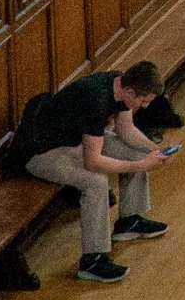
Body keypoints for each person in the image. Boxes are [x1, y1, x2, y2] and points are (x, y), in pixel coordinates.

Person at [15, 55, 173, 284]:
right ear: (130, 91)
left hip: (76, 140)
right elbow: (93, 162)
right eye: (143, 101)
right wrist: (140, 166)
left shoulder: (120, 85)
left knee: (137, 152)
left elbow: (126, 130)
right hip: (43, 153)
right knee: (96, 182)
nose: (145, 106)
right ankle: (93, 261)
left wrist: (154, 150)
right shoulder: (96, 101)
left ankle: (130, 221)